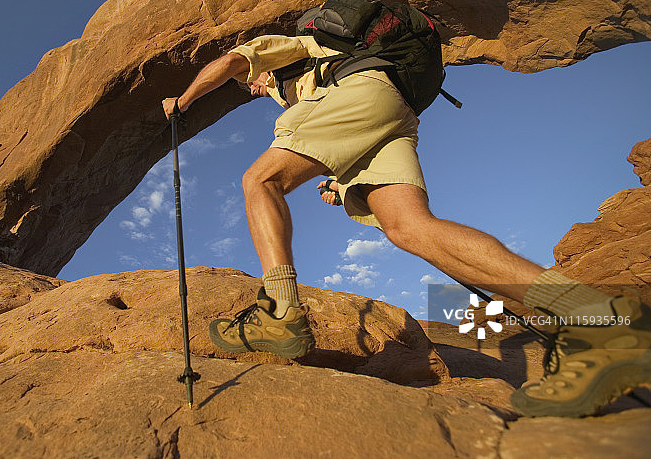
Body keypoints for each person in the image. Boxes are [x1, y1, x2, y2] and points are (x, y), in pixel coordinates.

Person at [161, 33, 651, 417]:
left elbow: (227, 64)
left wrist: (182, 101)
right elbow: (346, 123)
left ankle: (283, 314)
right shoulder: (319, 76)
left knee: (258, 180)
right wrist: (339, 178)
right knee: (412, 229)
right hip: (392, 107)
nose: (253, 86)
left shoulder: (283, 48)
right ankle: (597, 318)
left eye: (255, 83)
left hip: (361, 95)